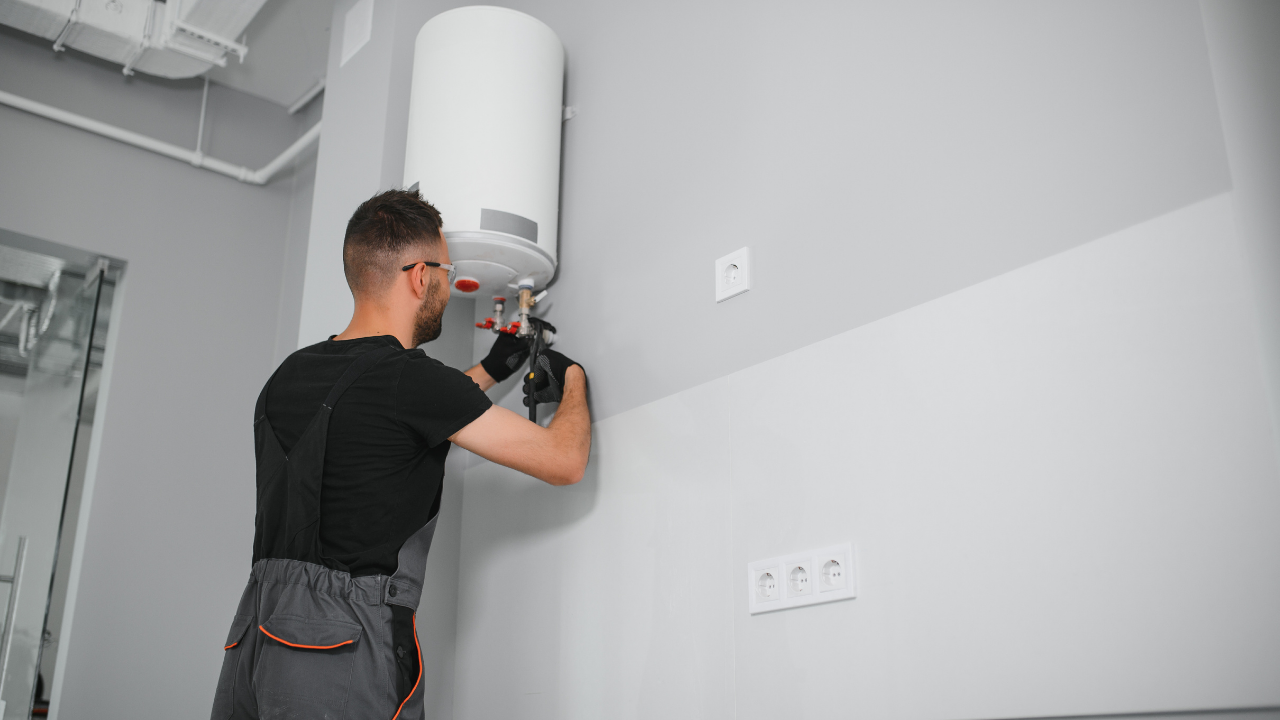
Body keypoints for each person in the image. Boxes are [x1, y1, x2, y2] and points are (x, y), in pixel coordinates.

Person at [210, 189, 590, 720]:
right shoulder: (410, 379)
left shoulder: (289, 375)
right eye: (446, 271)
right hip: (338, 648)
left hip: (256, 638)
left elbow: (388, 422)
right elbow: (564, 460)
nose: (449, 285)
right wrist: (571, 377)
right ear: (418, 275)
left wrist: (492, 369)